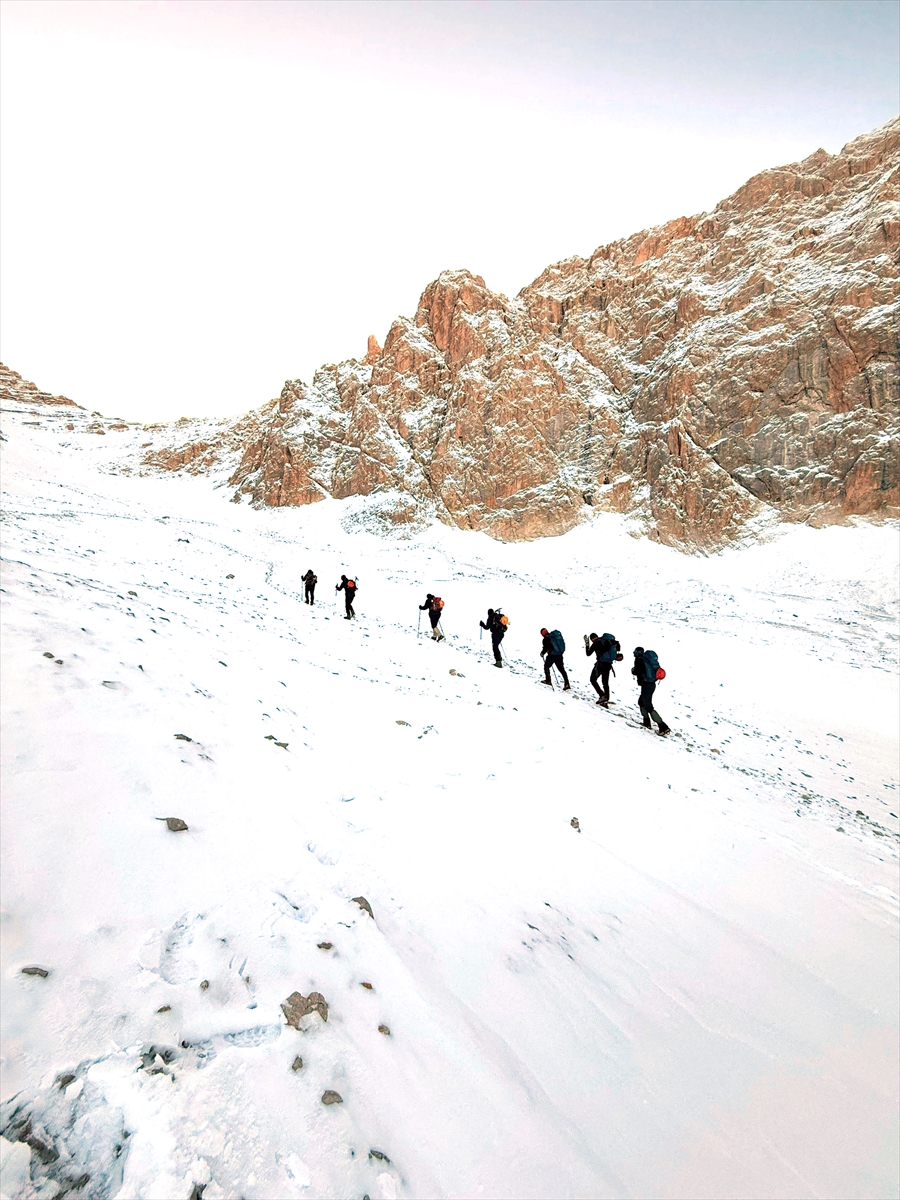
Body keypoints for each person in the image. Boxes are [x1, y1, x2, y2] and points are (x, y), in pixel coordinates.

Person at [631, 646, 670, 735]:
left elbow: (638, 671)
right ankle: (646, 723)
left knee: (648, 705)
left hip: (646, 684)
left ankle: (663, 726)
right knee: (641, 702)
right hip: (651, 684)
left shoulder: (639, 660)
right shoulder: (647, 659)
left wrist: (633, 670)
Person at [584, 631, 620, 706]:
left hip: (600, 665)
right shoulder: (607, 642)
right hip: (608, 665)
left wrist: (587, 643)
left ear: (592, 639)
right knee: (605, 682)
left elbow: (588, 653)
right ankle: (606, 698)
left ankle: (602, 695)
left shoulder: (596, 643)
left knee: (593, 679)